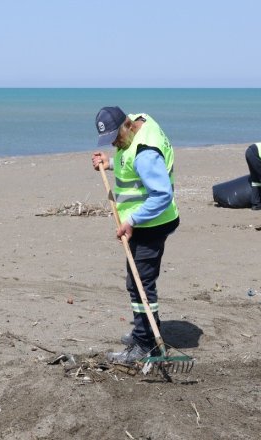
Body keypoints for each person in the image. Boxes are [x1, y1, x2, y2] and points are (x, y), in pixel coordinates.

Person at [91, 106, 180, 364]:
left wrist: (131, 221)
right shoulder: (141, 120)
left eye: (115, 137)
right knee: (138, 281)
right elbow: (130, 165)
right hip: (145, 221)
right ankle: (147, 331)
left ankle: (145, 343)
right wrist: (109, 164)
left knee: (140, 283)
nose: (114, 143)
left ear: (128, 126)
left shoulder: (145, 154)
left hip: (152, 223)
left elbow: (162, 195)